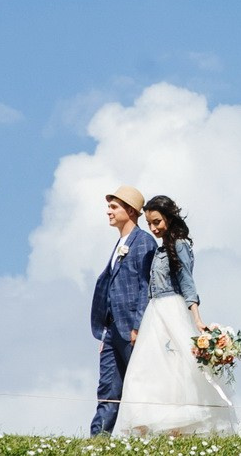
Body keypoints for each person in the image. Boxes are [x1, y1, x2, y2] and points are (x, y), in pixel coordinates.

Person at [113, 195, 237, 436]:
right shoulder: (160, 249)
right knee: (147, 367)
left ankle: (178, 426)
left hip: (172, 308)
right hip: (154, 312)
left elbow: (187, 282)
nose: (153, 228)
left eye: (157, 222)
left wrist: (197, 318)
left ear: (169, 218)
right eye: (149, 223)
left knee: (178, 368)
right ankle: (146, 420)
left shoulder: (180, 245)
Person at [90, 185, 157, 437]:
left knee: (141, 385)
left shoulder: (144, 242)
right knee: (107, 387)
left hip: (132, 329)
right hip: (111, 331)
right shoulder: (119, 243)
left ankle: (148, 436)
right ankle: (98, 439)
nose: (108, 211)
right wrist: (105, 331)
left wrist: (138, 326)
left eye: (114, 206)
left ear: (130, 210)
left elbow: (145, 286)